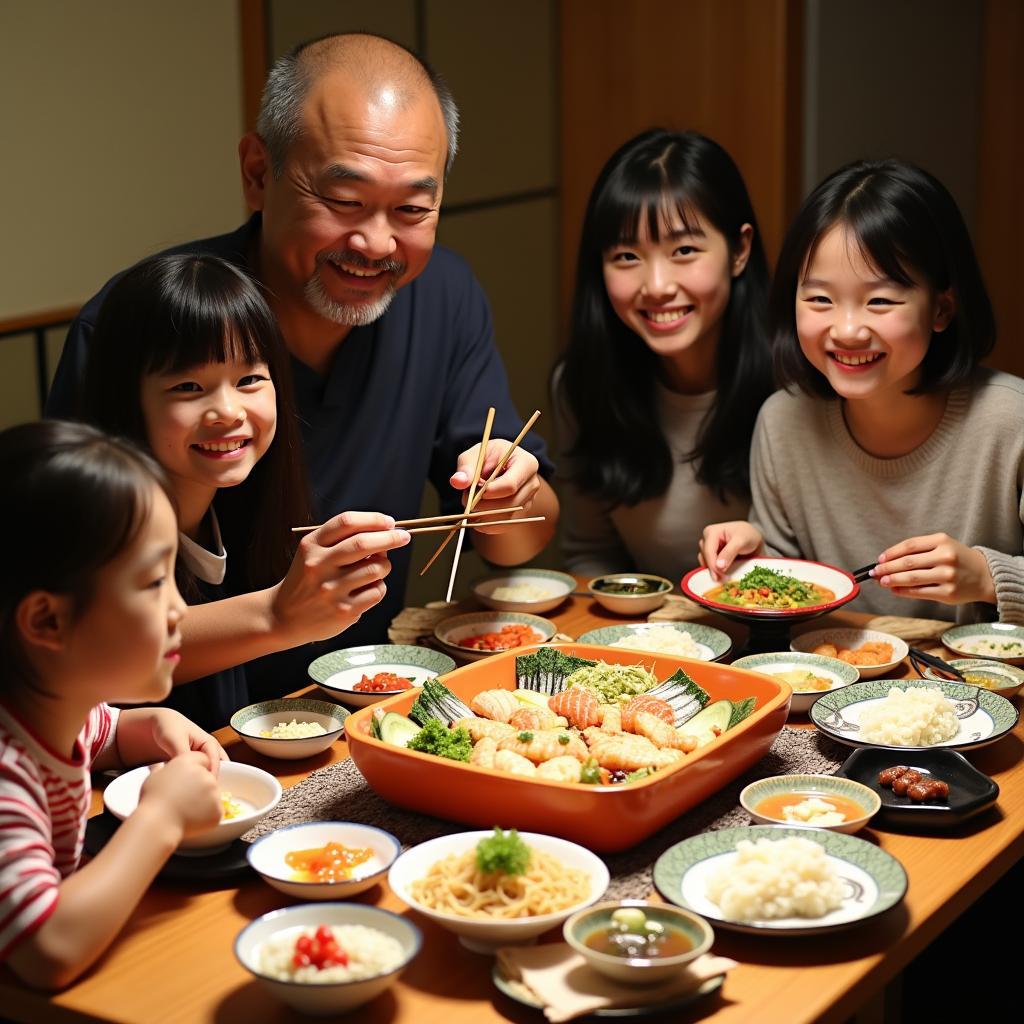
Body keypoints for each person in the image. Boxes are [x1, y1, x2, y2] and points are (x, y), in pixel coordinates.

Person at [48, 33, 558, 695]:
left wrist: (509, 499)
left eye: (411, 209)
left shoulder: (443, 295)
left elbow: (521, 539)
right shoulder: (142, 325)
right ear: (259, 173)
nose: (375, 243)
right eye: (344, 201)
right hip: (168, 736)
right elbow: (72, 640)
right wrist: (278, 615)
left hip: (358, 711)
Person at [78, 253, 409, 730]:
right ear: (127, 400)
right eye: (190, 386)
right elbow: (103, 657)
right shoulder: (93, 529)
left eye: (250, 379)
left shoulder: (232, 508)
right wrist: (279, 614)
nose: (228, 411)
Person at [699, 158, 1024, 623]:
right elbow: (789, 597)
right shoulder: (784, 420)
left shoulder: (1011, 422)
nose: (847, 330)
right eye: (819, 299)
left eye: (880, 301)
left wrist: (987, 577)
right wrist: (753, 557)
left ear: (942, 307)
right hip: (828, 683)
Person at [0, 420, 226, 989]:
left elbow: (111, 732)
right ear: (48, 620)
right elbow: (46, 949)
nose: (179, 609)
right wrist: (161, 818)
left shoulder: (52, 706)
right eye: (153, 584)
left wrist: (151, 726)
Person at [552, 130, 773, 582]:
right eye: (627, 255)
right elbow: (592, 556)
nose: (656, 285)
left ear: (740, 250)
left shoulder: (800, 385)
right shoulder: (585, 386)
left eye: (684, 251)